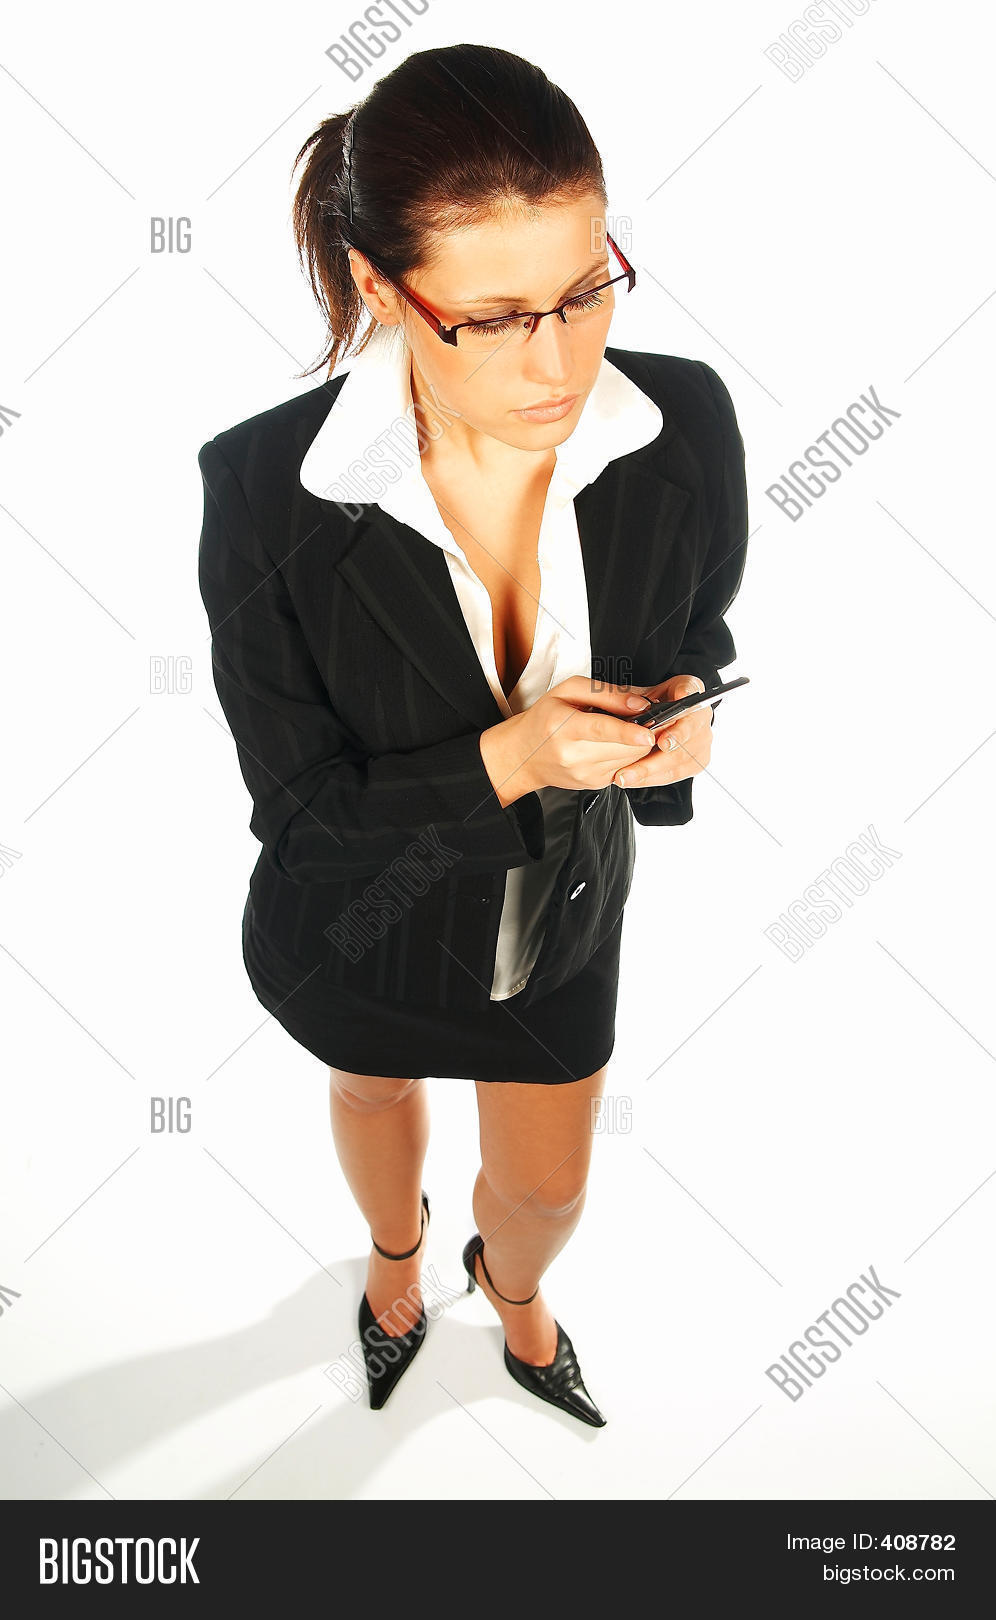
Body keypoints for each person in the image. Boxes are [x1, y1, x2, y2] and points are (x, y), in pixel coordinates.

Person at [197, 42, 748, 1427]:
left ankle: (509, 1286)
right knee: (372, 1094)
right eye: (495, 318)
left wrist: (681, 716)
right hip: (361, 924)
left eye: (585, 291)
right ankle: (394, 1263)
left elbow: (695, 625)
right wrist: (517, 757)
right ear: (385, 288)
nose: (557, 362)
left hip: (559, 915)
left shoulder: (683, 424)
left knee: (549, 1187)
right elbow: (303, 818)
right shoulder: (266, 489)